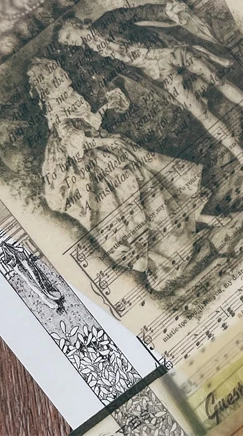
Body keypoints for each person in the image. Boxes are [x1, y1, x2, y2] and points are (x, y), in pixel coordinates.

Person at [26, 57, 209, 291]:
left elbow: (88, 124)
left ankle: (177, 244)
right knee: (129, 207)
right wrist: (109, 141)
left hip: (109, 153)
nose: (63, 74)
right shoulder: (55, 108)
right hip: (95, 169)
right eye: (57, 73)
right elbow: (75, 142)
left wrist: (106, 106)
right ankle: (160, 266)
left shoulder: (68, 96)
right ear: (48, 83)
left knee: (148, 188)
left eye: (59, 70)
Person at [56, 2, 243, 175]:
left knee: (217, 80)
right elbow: (113, 77)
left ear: (74, 24)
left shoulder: (108, 19)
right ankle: (241, 155)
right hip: (158, 74)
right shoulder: (93, 56)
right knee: (200, 113)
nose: (69, 43)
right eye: (66, 43)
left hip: (170, 51)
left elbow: (140, 12)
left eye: (67, 37)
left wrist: (166, 10)